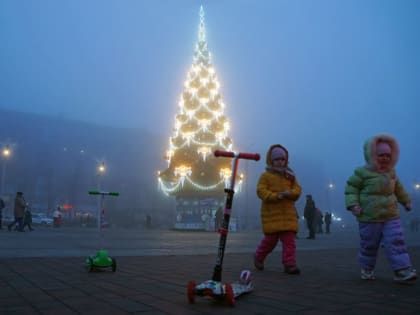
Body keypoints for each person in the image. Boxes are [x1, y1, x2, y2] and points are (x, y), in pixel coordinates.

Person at [345, 134, 417, 282]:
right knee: (369, 245)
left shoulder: (391, 173)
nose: (385, 158)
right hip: (369, 217)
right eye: (381, 155)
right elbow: (351, 189)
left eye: (388, 155)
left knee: (396, 241)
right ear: (371, 155)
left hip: (391, 216)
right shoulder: (362, 172)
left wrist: (406, 201)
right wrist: (353, 204)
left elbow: (399, 189)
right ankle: (367, 268)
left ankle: (401, 270)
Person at [253, 144, 302, 274]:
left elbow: (297, 189)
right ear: (271, 160)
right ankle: (258, 256)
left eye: (282, 159)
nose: (280, 162)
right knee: (270, 242)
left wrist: (290, 193)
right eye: (277, 159)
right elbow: (261, 190)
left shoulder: (290, 176)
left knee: (289, 242)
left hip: (288, 214)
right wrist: (275, 196)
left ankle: (289, 264)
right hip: (272, 215)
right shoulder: (265, 176)